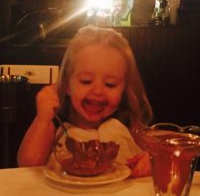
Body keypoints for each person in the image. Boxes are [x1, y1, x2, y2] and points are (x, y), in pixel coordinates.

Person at [17, 25, 153, 177]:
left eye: (110, 84)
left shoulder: (128, 123)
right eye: (86, 81)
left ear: (124, 89)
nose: (98, 91)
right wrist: (42, 119)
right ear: (68, 84)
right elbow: (27, 165)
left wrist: (153, 160)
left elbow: (171, 150)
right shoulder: (55, 122)